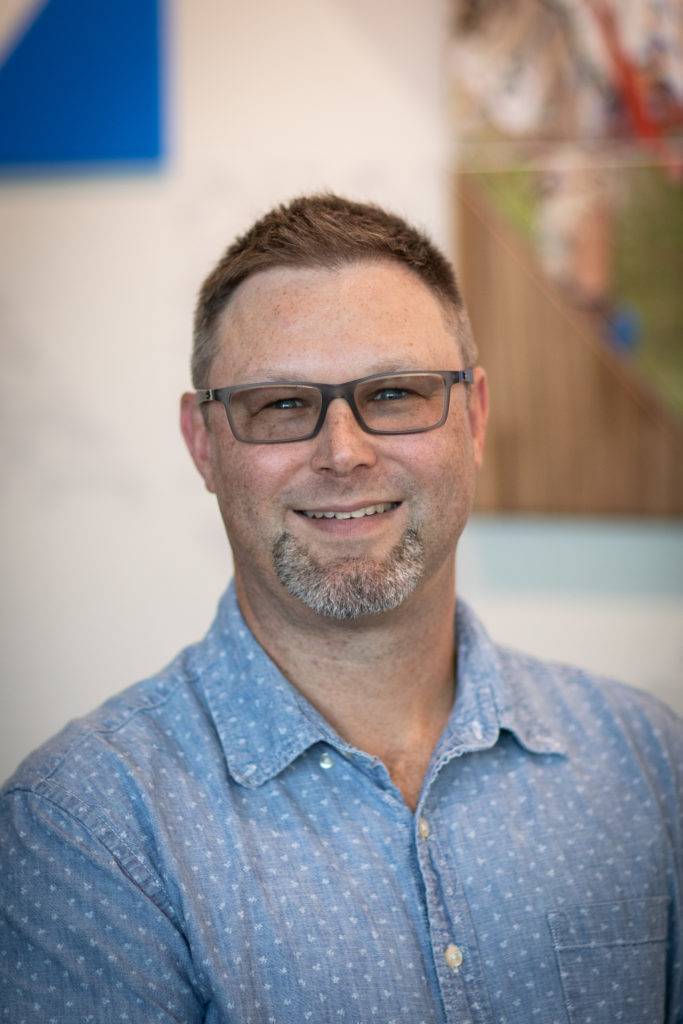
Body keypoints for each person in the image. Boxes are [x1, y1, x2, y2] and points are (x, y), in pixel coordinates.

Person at [1, 194, 681, 1023]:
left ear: (474, 418)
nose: (343, 454)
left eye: (394, 393)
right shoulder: (86, 827)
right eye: (281, 405)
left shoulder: (650, 767)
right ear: (202, 444)